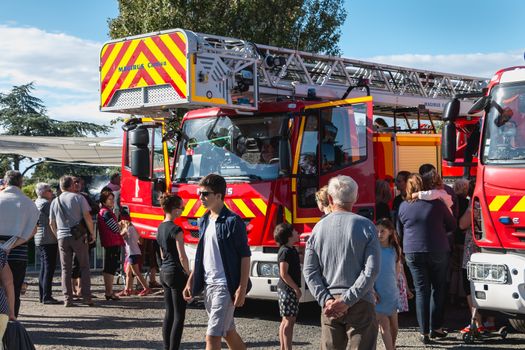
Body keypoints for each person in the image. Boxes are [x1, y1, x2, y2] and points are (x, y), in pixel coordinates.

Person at [303, 175, 381, 350]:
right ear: (356, 198)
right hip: (361, 301)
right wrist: (348, 299)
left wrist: (326, 299)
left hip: (330, 303)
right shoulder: (366, 226)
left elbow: (309, 271)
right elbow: (372, 270)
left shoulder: (318, 229)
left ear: (329, 199)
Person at [183, 174, 251, 350]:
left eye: (205, 194)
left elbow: (245, 256)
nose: (201, 198)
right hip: (208, 285)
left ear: (219, 196)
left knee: (212, 337)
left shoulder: (233, 221)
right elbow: (202, 254)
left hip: (224, 286)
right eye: (199, 193)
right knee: (228, 332)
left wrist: (241, 289)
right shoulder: (204, 219)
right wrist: (191, 279)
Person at [397, 173, 456, 344]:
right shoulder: (437, 204)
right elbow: (452, 224)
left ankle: (424, 332)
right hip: (438, 249)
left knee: (421, 291)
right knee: (438, 289)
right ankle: (436, 327)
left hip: (413, 252)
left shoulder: (403, 206)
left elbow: (399, 232)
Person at [49, 175, 96, 307]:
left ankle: (67, 299)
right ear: (70, 185)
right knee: (84, 266)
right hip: (78, 236)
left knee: (65, 269)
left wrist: (57, 234)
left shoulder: (55, 201)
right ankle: (86, 297)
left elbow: (51, 222)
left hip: (62, 236)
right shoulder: (78, 198)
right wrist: (91, 233)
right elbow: (87, 216)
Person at [0, 170, 40, 317]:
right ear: (21, 183)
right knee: (14, 290)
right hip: (17, 252)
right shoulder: (28, 203)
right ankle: (11, 322)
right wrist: (12, 245)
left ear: (5, 182)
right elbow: (34, 230)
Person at [157, 193, 189, 350]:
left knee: (169, 313)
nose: (182, 211)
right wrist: (188, 273)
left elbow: (162, 253)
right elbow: (182, 256)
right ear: (175, 210)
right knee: (179, 315)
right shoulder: (177, 229)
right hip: (176, 272)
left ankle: (166, 347)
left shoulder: (161, 226)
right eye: (181, 208)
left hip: (164, 271)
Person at [374, 218, 402, 350]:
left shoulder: (395, 249)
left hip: (391, 291)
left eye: (382, 231)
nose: (379, 234)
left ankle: (393, 346)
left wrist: (403, 288)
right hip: (377, 293)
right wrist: (372, 291)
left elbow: (397, 271)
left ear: (390, 232)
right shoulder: (373, 250)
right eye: (377, 231)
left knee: (394, 327)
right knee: (384, 325)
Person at [274, 223, 301, 350]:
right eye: (295, 231)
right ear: (289, 235)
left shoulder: (291, 249)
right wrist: (296, 288)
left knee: (286, 320)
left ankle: (283, 348)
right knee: (289, 321)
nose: (297, 233)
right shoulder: (285, 251)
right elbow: (283, 273)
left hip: (287, 289)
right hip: (287, 290)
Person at [34, 182, 61, 305]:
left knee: (44, 268)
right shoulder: (45, 204)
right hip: (48, 239)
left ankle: (44, 295)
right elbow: (56, 216)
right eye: (50, 190)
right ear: (44, 192)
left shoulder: (37, 202)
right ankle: (46, 296)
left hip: (41, 239)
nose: (52, 192)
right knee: (48, 268)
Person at [97, 189, 125, 301]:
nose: (112, 201)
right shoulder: (106, 212)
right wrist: (123, 227)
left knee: (109, 267)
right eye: (110, 199)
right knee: (110, 268)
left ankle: (109, 291)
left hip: (110, 242)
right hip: (111, 242)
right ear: (104, 201)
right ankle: (109, 291)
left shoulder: (104, 211)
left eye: (113, 199)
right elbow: (115, 228)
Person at [119, 219, 150, 297]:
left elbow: (119, 237)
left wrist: (120, 227)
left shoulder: (127, 229)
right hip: (136, 252)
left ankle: (146, 288)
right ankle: (128, 290)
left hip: (132, 253)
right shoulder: (136, 228)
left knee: (136, 272)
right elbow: (140, 241)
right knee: (128, 272)